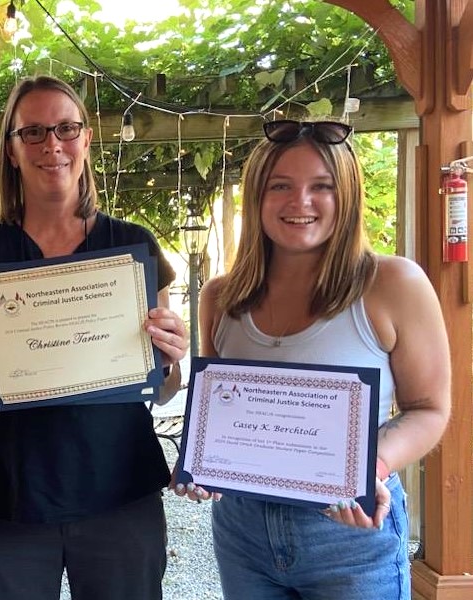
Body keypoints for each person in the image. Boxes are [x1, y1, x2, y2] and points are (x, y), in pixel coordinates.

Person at [0, 75, 189, 600]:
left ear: (86, 138)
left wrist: (172, 358)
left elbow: (161, 389)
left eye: (66, 128)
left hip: (121, 496)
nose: (52, 145)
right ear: (11, 149)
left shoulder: (132, 246)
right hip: (11, 502)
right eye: (33, 132)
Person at [187, 119, 451, 599]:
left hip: (349, 531)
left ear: (346, 195)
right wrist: (202, 468)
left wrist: (373, 465)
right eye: (280, 186)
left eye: (321, 187)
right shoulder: (221, 297)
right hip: (242, 531)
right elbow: (217, 416)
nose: (300, 202)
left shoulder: (393, 284)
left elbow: (430, 409)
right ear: (257, 197)